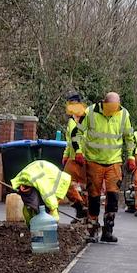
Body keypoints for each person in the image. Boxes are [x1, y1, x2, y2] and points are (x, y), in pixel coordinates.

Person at [77, 91, 135, 243]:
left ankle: (108, 230)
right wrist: (78, 151)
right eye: (110, 108)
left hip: (114, 162)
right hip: (94, 161)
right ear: (103, 103)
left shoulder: (123, 114)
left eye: (115, 108)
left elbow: (129, 137)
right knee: (94, 197)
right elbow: (78, 133)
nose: (112, 112)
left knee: (113, 197)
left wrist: (131, 156)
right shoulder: (90, 112)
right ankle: (92, 229)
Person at [11, 159, 72, 224]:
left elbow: (50, 197)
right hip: (35, 176)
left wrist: (53, 210)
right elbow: (48, 195)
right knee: (34, 206)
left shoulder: (50, 183)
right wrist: (53, 210)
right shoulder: (40, 182)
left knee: (37, 206)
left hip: (36, 175)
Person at [60, 91, 89, 223]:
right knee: (65, 183)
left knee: (85, 187)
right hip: (73, 158)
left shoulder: (86, 118)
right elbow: (69, 139)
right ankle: (80, 207)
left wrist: (80, 152)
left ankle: (85, 215)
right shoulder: (72, 120)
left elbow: (84, 137)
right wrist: (66, 155)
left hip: (84, 157)